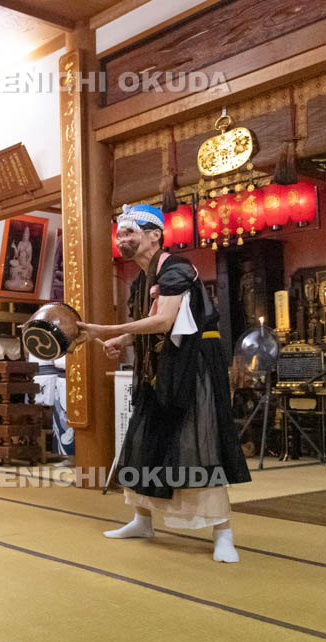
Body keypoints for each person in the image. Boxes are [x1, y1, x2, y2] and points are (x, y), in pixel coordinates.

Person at [78, 203, 251, 563]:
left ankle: (223, 532)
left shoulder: (176, 268)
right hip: (159, 364)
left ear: (155, 235)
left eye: (130, 232)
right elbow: (151, 320)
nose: (122, 239)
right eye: (120, 233)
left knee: (198, 443)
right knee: (145, 436)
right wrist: (120, 342)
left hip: (195, 365)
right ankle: (142, 519)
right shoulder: (143, 278)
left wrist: (108, 329)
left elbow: (165, 321)